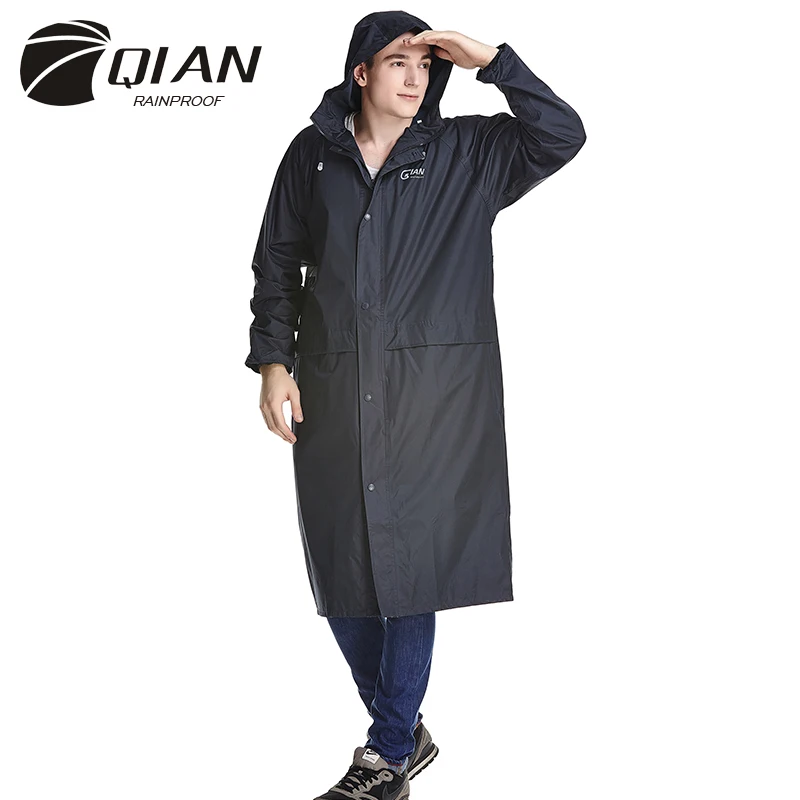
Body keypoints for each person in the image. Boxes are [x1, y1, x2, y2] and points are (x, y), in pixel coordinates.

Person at [245, 11, 586, 799]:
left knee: (411, 571)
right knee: (341, 567)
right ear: (361, 72)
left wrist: (493, 60)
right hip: (332, 387)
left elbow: (562, 134)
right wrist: (273, 361)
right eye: (397, 61)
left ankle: (387, 754)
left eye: (425, 64)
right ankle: (403, 729)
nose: (415, 75)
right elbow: (277, 262)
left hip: (434, 399)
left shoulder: (468, 152)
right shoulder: (312, 156)